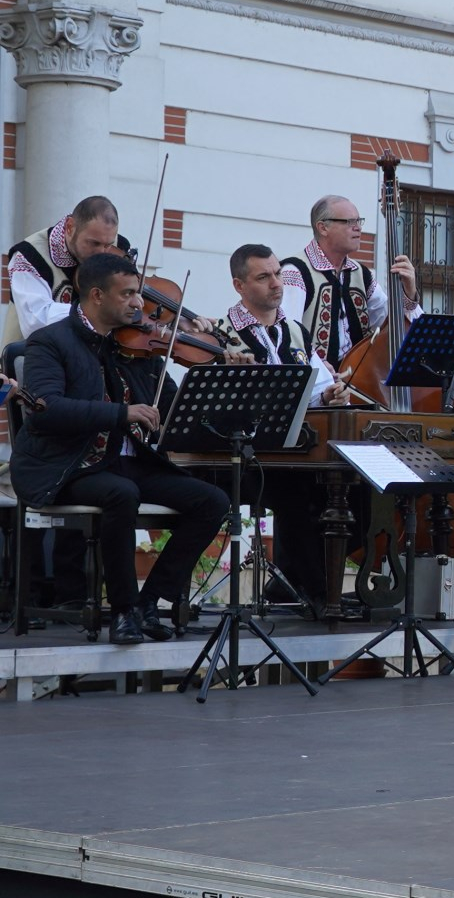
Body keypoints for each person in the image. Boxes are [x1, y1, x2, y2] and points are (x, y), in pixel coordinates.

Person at [12, 253, 229, 645]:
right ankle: (125, 611)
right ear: (96, 295)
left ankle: (150, 601)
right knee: (121, 493)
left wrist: (219, 375)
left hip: (126, 462)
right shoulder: (50, 342)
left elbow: (170, 407)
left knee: (212, 500)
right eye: (128, 294)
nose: (139, 304)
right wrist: (121, 413)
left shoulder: (134, 346)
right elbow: (46, 410)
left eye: (139, 294)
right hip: (70, 464)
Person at [221, 243, 352, 608]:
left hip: (291, 450)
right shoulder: (221, 334)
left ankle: (295, 584)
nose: (276, 283)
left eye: (277, 273)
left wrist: (330, 396)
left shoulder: (294, 330)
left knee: (354, 491)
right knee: (298, 491)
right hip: (243, 454)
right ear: (239, 286)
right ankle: (319, 593)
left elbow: (316, 389)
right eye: (263, 277)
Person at [280, 195, 418, 369]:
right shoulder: (295, 271)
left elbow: (392, 326)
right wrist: (319, 369)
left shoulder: (361, 274)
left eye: (359, 221)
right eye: (349, 222)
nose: (358, 228)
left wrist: (409, 291)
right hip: (316, 385)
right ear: (323, 228)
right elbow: (287, 335)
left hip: (358, 382)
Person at [4, 196, 131, 348]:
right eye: (93, 243)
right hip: (29, 361)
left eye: (108, 245)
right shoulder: (29, 256)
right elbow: (36, 321)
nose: (101, 252)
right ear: (70, 227)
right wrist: (96, 310)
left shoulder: (119, 248)